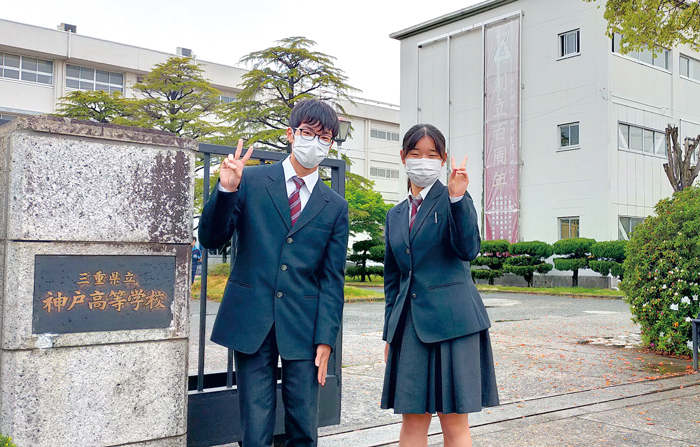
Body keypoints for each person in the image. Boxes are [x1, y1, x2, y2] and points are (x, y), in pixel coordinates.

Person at [198, 99, 349, 447]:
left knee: (303, 425)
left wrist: (327, 339)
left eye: (324, 137)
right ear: (291, 135)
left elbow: (332, 278)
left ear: (330, 144)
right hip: (252, 319)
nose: (315, 142)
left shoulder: (334, 206)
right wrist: (225, 189)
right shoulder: (249, 180)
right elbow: (211, 238)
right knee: (256, 425)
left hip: (304, 325)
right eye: (308, 133)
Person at [381, 124, 499, 447]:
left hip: (454, 326)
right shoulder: (394, 215)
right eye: (415, 154)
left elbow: (468, 248)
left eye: (432, 155)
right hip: (410, 327)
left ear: (444, 159)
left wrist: (458, 197)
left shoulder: (454, 198)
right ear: (403, 157)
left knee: (454, 422)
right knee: (412, 421)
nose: (423, 161)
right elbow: (393, 280)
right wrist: (389, 333)